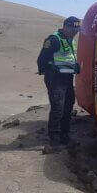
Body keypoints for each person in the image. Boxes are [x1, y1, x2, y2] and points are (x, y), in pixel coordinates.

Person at [37, 16, 81, 145]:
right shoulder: (54, 39)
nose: (75, 32)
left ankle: (65, 134)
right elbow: (41, 59)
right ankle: (54, 136)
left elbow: (68, 57)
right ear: (65, 27)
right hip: (55, 79)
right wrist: (50, 69)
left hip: (67, 77)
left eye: (77, 30)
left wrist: (75, 66)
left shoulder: (71, 40)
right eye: (73, 29)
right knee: (58, 107)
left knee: (69, 105)